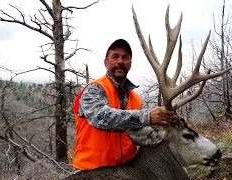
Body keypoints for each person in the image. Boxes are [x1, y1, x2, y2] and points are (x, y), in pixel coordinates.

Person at [72, 39, 178, 171]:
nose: (120, 61)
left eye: (125, 57)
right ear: (106, 62)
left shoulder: (136, 99)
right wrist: (147, 117)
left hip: (126, 172)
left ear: (130, 64)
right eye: (115, 56)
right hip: (89, 172)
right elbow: (101, 118)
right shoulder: (94, 89)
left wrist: (166, 126)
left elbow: (138, 133)